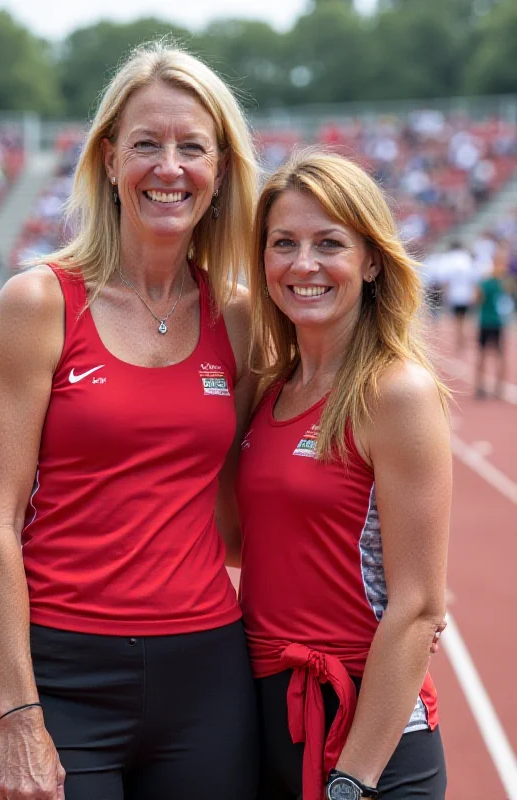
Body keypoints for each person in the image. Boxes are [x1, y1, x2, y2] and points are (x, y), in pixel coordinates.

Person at [0, 42, 260, 800]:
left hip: (207, 675)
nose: (170, 167)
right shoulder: (40, 303)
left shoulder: (239, 318)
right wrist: (20, 716)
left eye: (192, 146)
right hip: (62, 678)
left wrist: (392, 591)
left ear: (220, 170)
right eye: (146, 144)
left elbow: (250, 512)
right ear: (106, 159)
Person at [236, 149, 451, 799]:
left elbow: (416, 608)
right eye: (283, 244)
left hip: (372, 735)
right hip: (266, 714)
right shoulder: (270, 393)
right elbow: (239, 541)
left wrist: (351, 781)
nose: (303, 265)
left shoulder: (396, 393)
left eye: (329, 243)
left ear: (372, 259)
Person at [475, 242, 512, 399]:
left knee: (484, 354)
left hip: (487, 321)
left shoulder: (487, 280)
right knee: (499, 355)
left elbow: (476, 299)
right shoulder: (507, 281)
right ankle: (497, 388)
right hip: (497, 322)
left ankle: (481, 387)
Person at [441, 239, 478, 352]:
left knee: (457, 320)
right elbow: (473, 278)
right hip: (466, 293)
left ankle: (459, 340)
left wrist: (445, 294)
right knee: (465, 318)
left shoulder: (450, 259)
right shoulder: (467, 259)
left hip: (455, 294)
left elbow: (446, 279)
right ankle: (463, 339)